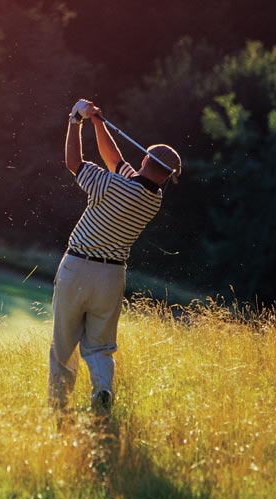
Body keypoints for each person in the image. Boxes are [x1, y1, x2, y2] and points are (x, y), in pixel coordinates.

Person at [49, 99, 181, 416]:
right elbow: (116, 161)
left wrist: (75, 120)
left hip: (77, 267)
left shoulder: (109, 184)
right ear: (165, 177)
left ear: (144, 159)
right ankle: (102, 391)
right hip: (111, 278)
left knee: (64, 344)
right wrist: (98, 123)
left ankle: (59, 408)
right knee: (101, 346)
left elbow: (73, 162)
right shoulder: (153, 199)